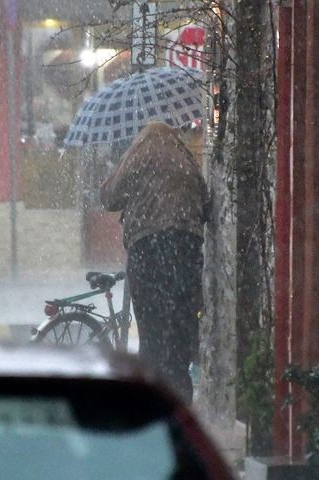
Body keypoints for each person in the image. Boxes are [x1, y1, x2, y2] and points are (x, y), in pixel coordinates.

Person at [100, 121, 208, 404]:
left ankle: (152, 398)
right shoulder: (183, 155)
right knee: (180, 325)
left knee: (151, 327)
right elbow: (205, 203)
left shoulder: (139, 152)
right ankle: (180, 394)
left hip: (148, 249)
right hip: (187, 249)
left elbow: (109, 197)